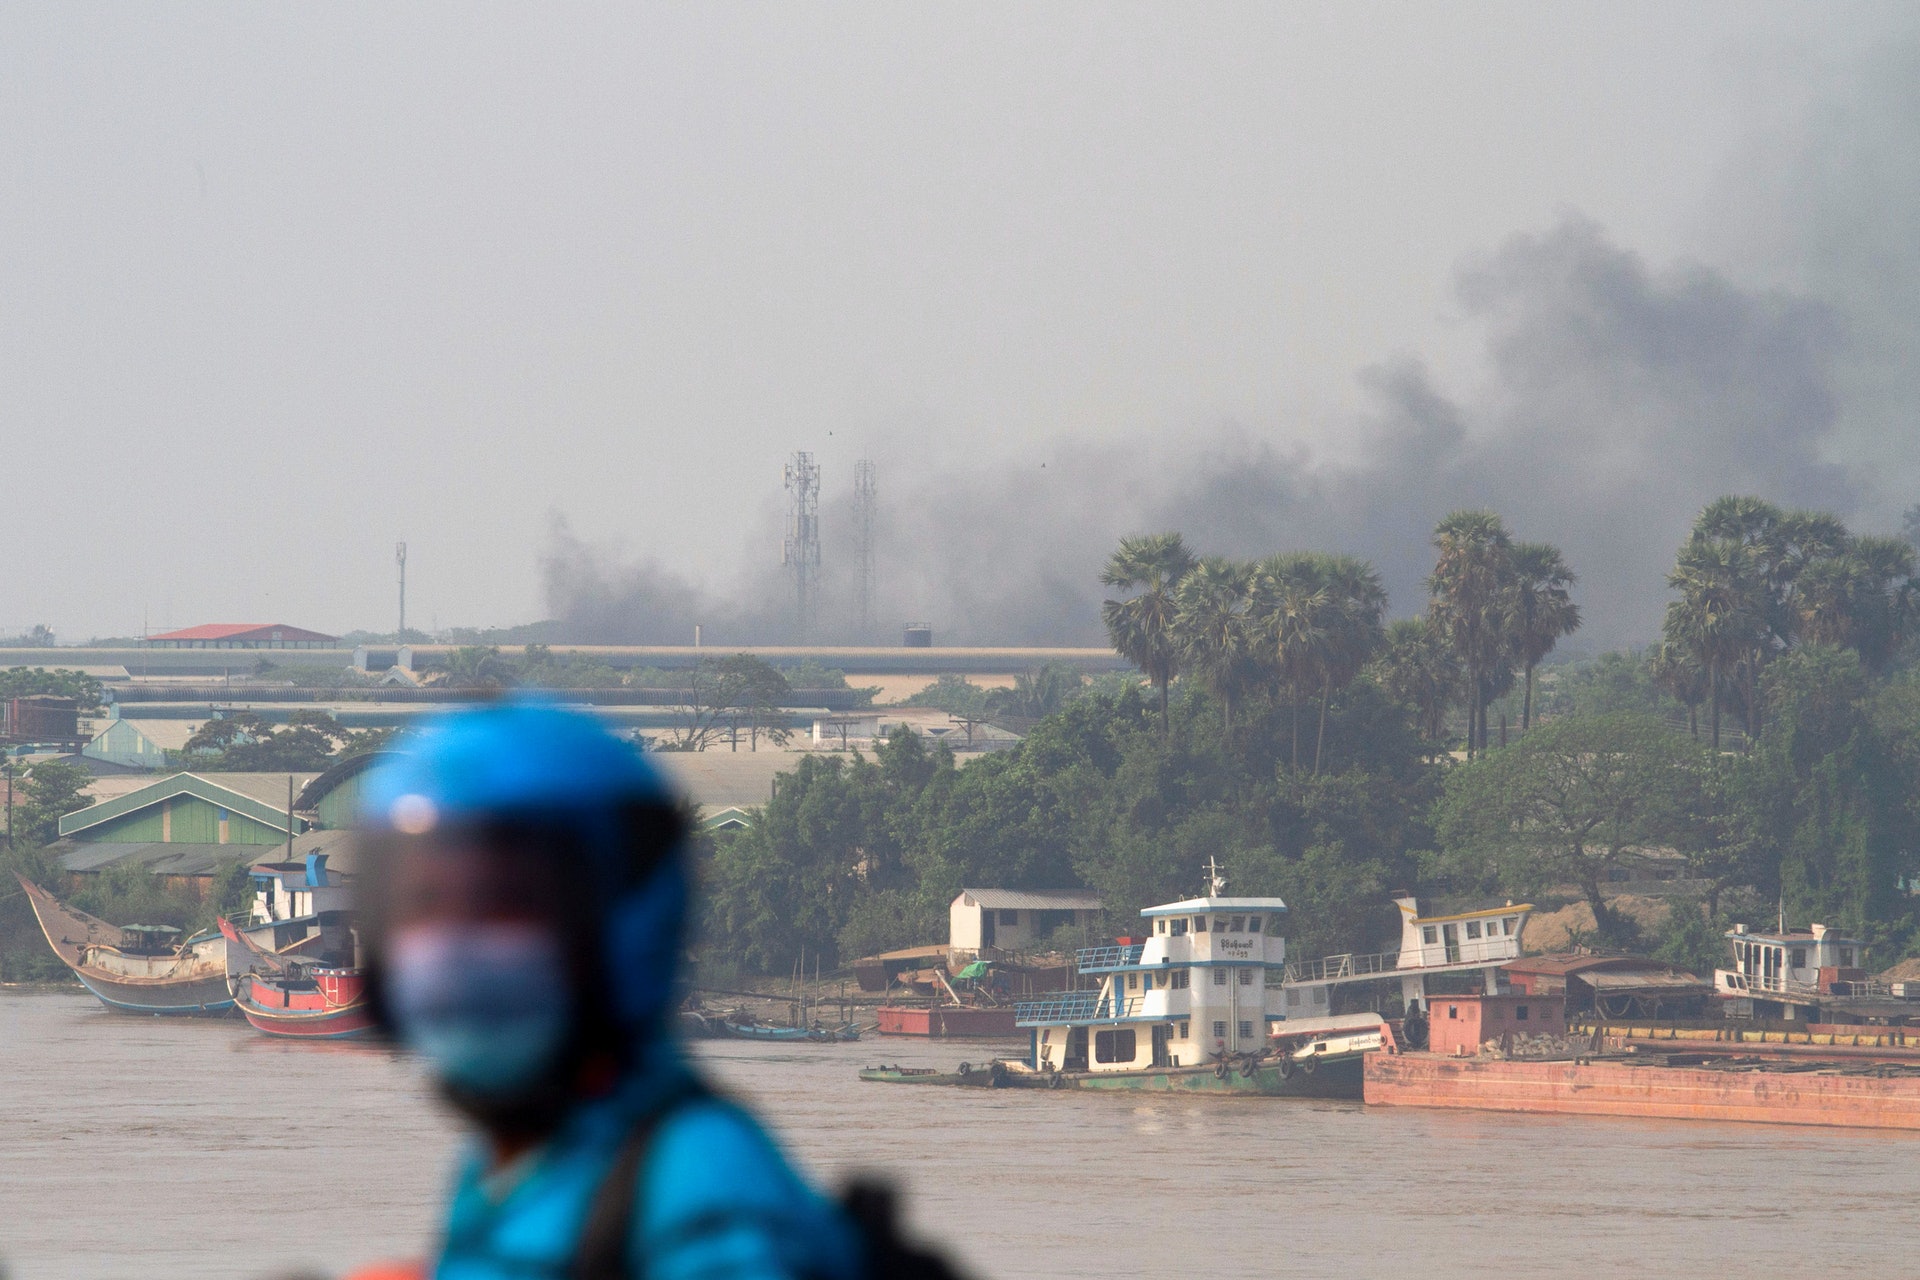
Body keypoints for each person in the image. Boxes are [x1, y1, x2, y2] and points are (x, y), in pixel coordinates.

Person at [351, 703, 865, 1280]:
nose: (454, 945)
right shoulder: (510, 1159)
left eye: (507, 905)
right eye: (425, 905)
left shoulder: (699, 1187)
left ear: (621, 928)